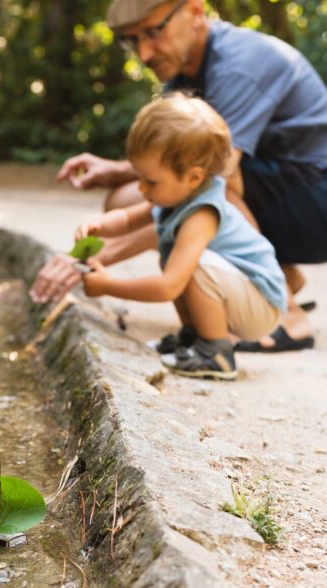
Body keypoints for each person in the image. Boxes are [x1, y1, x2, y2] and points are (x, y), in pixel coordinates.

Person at [30, 0, 327, 354]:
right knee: (127, 196)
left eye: (152, 32)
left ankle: (289, 316)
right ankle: (281, 274)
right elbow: (171, 177)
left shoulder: (238, 64)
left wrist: (80, 265)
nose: (144, 53)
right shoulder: (182, 74)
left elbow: (212, 174)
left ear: (195, 11)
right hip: (275, 191)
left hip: (322, 201)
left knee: (207, 184)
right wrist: (115, 174)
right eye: (132, 40)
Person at [77, 93, 286, 379]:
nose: (141, 188)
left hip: (261, 304)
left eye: (150, 181)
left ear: (194, 177)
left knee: (190, 265)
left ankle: (216, 353)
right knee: (175, 256)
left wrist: (108, 285)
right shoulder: (175, 196)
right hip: (241, 294)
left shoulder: (202, 213)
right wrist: (97, 224)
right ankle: (193, 337)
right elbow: (127, 220)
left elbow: (168, 287)